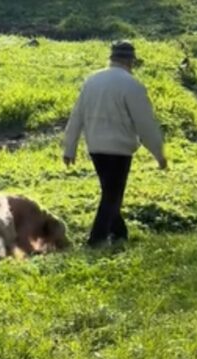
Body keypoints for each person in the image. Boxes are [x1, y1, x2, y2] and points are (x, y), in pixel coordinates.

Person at [63, 40, 168, 248]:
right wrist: (159, 154)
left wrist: (69, 148)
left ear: (111, 58)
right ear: (130, 61)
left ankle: (120, 235)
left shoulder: (92, 80)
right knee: (112, 196)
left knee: (110, 193)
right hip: (119, 149)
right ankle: (96, 241)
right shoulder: (132, 84)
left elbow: (77, 116)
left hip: (95, 147)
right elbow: (145, 123)